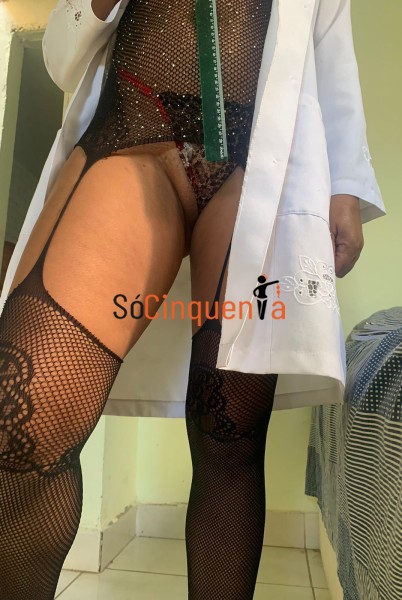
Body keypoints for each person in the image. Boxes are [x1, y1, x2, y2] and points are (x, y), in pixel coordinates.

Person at [0, 0, 385, 598]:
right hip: (133, 131)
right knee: (21, 418)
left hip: (261, 160)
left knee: (229, 432)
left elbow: (329, 45)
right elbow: (60, 57)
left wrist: (345, 188)